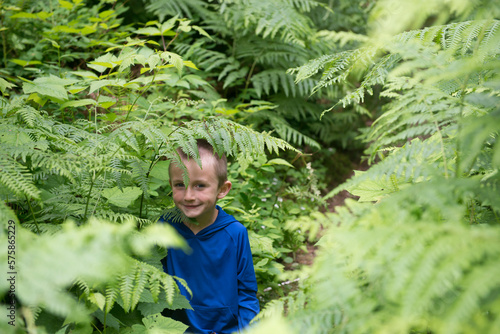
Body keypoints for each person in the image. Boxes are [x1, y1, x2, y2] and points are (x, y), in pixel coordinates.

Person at [160, 139, 260, 334]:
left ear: (222, 189)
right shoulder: (164, 227)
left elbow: (247, 294)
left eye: (200, 186)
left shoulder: (234, 233)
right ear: (170, 185)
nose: (188, 195)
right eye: (180, 184)